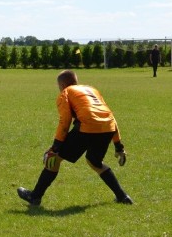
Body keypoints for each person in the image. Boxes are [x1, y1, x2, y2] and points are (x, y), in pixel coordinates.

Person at [17, 70, 132, 207]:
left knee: (54, 158)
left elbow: (65, 121)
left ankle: (35, 196)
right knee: (95, 162)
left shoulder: (66, 92)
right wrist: (119, 145)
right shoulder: (92, 89)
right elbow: (110, 116)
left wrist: (55, 147)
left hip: (87, 126)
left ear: (62, 85)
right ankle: (122, 196)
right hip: (107, 127)